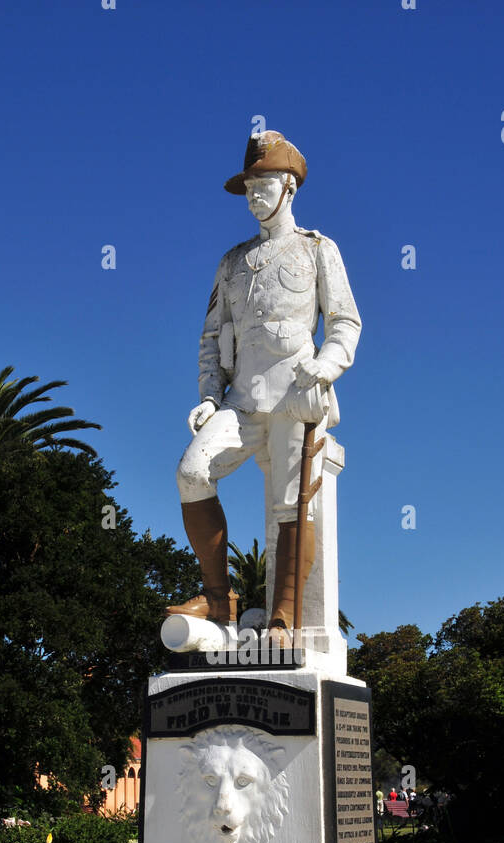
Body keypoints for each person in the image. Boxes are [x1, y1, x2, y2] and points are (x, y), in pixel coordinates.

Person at [166, 130, 362, 632]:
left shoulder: (318, 249)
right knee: (192, 472)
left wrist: (327, 363)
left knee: (289, 502)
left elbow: (345, 321)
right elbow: (211, 337)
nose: (255, 195)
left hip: (296, 392)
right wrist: (209, 397)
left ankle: (284, 613)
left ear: (289, 188)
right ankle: (218, 600)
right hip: (241, 398)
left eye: (264, 184)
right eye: (249, 185)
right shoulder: (232, 262)